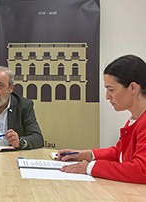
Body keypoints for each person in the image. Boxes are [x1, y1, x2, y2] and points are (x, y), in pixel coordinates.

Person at [57, 54, 146, 184]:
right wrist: (85, 155)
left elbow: (141, 171)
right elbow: (118, 152)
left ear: (133, 87)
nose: (107, 96)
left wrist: (90, 167)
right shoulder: (135, 118)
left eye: (111, 90)